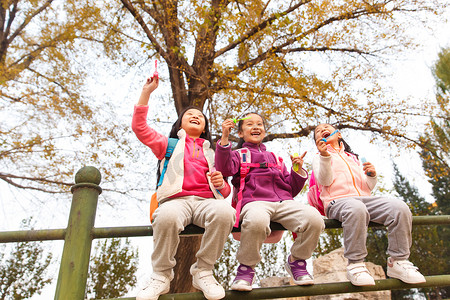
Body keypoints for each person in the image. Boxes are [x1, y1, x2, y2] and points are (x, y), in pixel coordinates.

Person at [132, 74, 235, 300]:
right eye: (190, 114)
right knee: (166, 216)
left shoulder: (213, 153)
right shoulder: (168, 145)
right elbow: (140, 128)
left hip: (206, 203)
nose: (196, 116)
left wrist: (222, 185)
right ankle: (161, 275)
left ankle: (203, 270)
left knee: (226, 212)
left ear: (206, 127)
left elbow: (225, 191)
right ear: (180, 123)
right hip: (176, 201)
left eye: (200, 116)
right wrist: (146, 92)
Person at [215, 113, 324, 291]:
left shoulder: (275, 157)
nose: (256, 127)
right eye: (249, 124)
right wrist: (225, 139)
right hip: (254, 201)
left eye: (259, 124)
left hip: (283, 201)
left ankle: (297, 260)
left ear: (264, 131)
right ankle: (246, 268)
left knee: (314, 219)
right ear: (241, 133)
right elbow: (223, 168)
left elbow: (290, 189)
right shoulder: (238, 154)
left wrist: (297, 170)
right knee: (257, 220)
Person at [312, 123, 426, 286]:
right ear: (317, 141)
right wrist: (324, 157)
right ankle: (355, 264)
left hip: (364, 200)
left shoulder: (353, 158)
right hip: (337, 202)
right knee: (356, 209)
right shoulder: (319, 157)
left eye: (326, 127)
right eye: (317, 131)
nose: (322, 130)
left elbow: (366, 188)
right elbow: (325, 180)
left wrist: (371, 177)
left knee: (399, 208)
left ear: (338, 135)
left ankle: (398, 262)